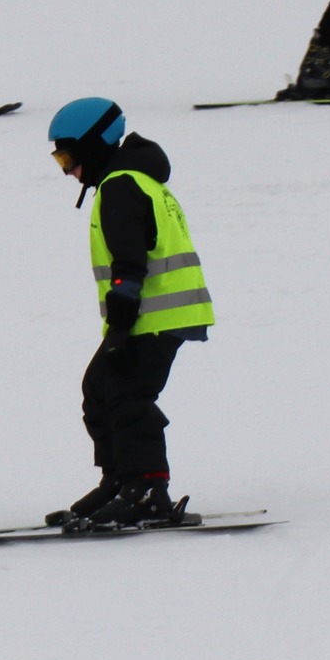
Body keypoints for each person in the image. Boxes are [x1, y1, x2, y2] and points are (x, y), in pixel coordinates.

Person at [44, 98, 215, 529]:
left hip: (154, 315)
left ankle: (147, 490)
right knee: (99, 390)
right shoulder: (131, 182)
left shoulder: (122, 185)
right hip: (151, 315)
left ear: (94, 144)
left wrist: (120, 328)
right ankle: (120, 480)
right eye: (59, 160)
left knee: (127, 397)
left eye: (68, 157)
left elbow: (129, 264)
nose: (67, 170)